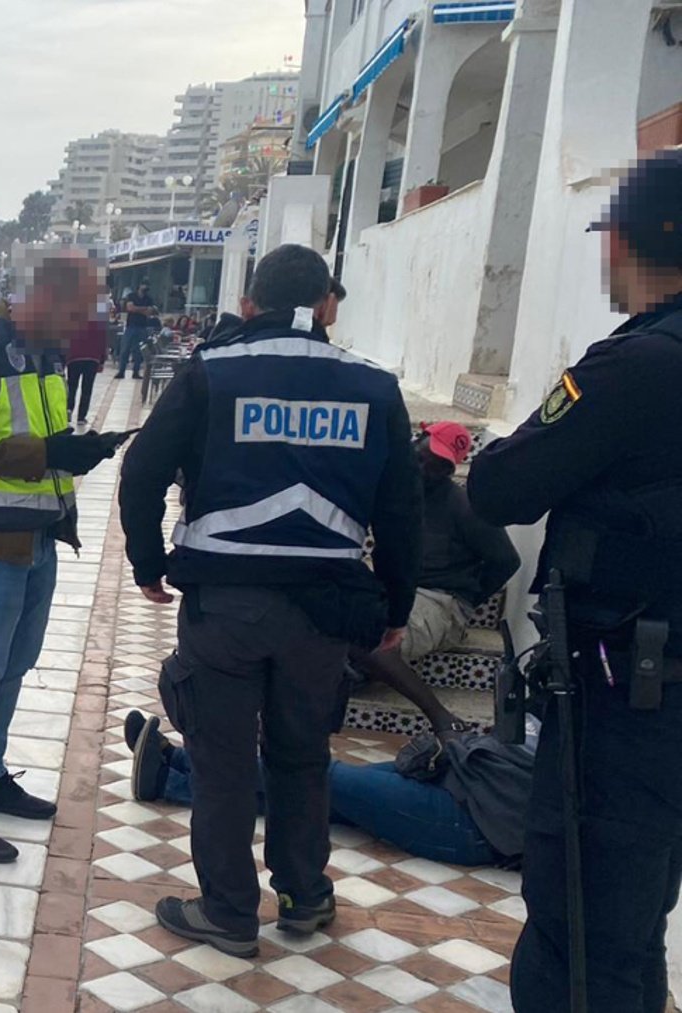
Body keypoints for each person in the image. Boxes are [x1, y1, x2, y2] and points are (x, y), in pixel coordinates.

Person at [118, 244, 421, 956]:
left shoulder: (211, 371)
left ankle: (227, 910)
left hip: (225, 604)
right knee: (301, 753)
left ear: (249, 303)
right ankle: (304, 895)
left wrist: (147, 561)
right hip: (323, 611)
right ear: (323, 307)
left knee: (222, 759)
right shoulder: (374, 386)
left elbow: (142, 471)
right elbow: (403, 510)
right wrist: (397, 606)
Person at [466, 150, 682, 1013]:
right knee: (634, 920)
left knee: (579, 929)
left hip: (621, 697)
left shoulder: (636, 365)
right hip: (655, 697)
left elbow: (500, 486)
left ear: (628, 243)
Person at [0, 249, 128, 863]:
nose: (76, 327)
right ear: (36, 299)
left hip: (38, 534)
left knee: (17, 662)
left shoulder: (43, 359)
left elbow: (39, 442)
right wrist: (45, 455)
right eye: (70, 312)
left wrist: (71, 452)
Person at [123, 710, 532, 868]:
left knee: (317, 776)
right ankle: (176, 769)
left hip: (473, 821)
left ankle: (175, 776)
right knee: (314, 795)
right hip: (463, 783)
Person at [350, 422, 518, 734]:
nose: (426, 469)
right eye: (422, 457)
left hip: (438, 599)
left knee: (369, 638)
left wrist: (466, 600)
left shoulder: (465, 506)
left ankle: (441, 718)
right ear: (416, 442)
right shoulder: (394, 490)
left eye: (439, 466)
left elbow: (506, 560)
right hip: (389, 588)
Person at [116, 282, 158, 379]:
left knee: (139, 351)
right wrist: (144, 309)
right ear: (139, 286)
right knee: (125, 350)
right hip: (130, 326)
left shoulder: (149, 299)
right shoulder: (131, 296)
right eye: (144, 285)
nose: (146, 287)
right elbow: (130, 308)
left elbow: (150, 312)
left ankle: (136, 372)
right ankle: (121, 371)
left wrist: (137, 309)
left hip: (142, 327)